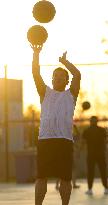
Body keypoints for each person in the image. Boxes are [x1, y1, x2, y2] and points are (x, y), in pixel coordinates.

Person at [32, 44, 81, 205]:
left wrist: (65, 63)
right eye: (56, 76)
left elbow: (77, 74)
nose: (58, 78)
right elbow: (35, 73)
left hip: (64, 141)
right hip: (45, 140)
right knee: (41, 177)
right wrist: (36, 53)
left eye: (62, 76)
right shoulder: (45, 92)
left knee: (65, 178)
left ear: (67, 81)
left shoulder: (71, 94)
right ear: (52, 79)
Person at [82, 116, 108, 195]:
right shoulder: (101, 130)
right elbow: (106, 140)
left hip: (92, 154)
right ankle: (106, 188)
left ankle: (90, 189)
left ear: (90, 122)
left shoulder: (87, 130)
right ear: (97, 121)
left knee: (91, 172)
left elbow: (83, 142)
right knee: (102, 171)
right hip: (99, 154)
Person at [56, 124, 81, 190]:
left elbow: (78, 136)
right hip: (65, 154)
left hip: (70, 154)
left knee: (72, 169)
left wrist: (75, 127)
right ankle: (57, 184)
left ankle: (74, 184)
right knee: (63, 169)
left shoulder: (69, 136)